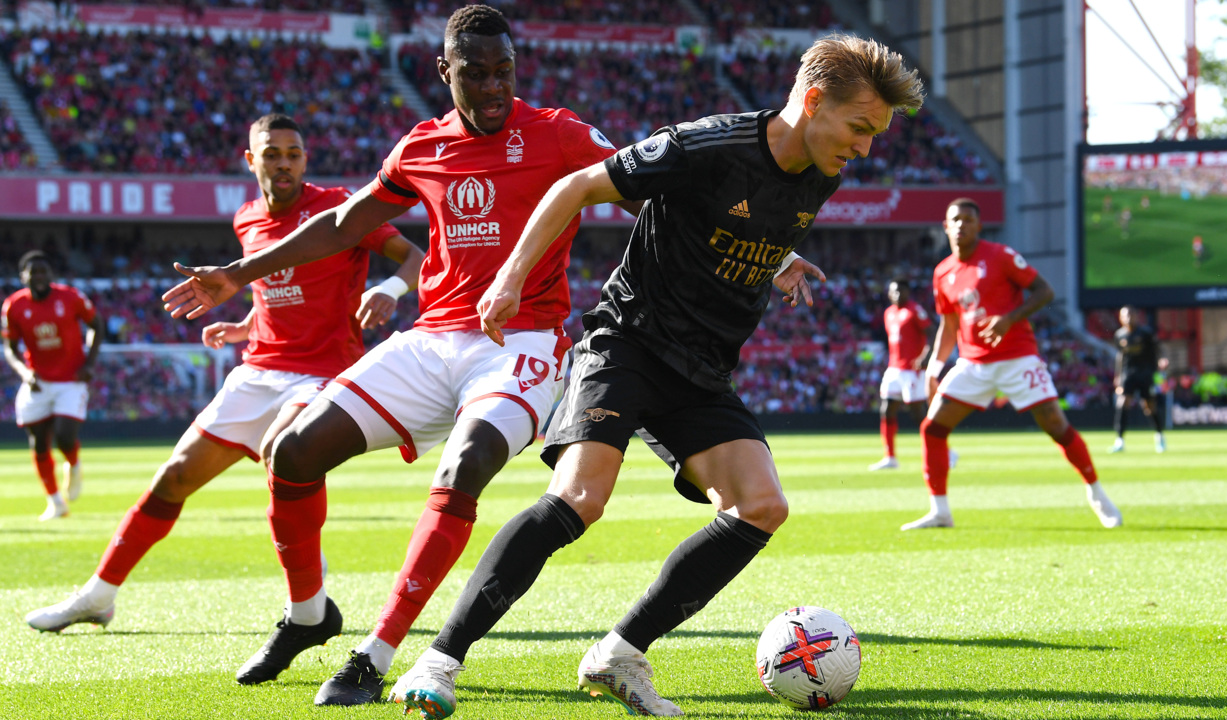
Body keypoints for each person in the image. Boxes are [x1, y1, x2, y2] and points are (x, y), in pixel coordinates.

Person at [385, 34, 925, 718]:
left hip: (701, 370)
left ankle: (618, 653)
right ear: (813, 101)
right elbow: (575, 186)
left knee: (762, 506)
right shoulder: (705, 146)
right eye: (860, 127)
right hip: (629, 343)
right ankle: (437, 663)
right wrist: (509, 281)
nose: (866, 147)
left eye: (874, 133)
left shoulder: (825, 167)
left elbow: (751, 221)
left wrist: (780, 258)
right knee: (580, 496)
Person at [159, 6, 638, 705]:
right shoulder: (421, 146)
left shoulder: (559, 133)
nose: (493, 86)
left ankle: (375, 654)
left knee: (465, 462)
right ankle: (309, 615)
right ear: (445, 72)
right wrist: (240, 272)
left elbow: (648, 185)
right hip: (431, 337)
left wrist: (766, 251)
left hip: (521, 341)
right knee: (290, 451)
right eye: (474, 73)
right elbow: (343, 223)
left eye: (504, 70)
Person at [23, 113, 422, 632]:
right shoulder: (246, 218)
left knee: (286, 457)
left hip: (322, 372)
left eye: (293, 153)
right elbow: (270, 288)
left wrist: (389, 290)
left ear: (305, 159)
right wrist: (243, 325)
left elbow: (412, 255)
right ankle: (98, 596)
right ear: (250, 160)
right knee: (173, 479)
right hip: (257, 369)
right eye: (272, 153)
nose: (284, 163)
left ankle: (308, 602)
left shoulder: (337, 207)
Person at [901, 198, 1122, 531]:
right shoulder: (943, 273)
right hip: (973, 363)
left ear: (979, 226)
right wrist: (935, 367)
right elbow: (948, 325)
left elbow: (1044, 291)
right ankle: (940, 511)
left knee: (1056, 426)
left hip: (1017, 356)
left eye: (969, 219)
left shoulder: (1000, 256)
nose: (962, 225)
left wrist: (1008, 320)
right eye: (955, 220)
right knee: (932, 428)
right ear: (945, 227)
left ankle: (1097, 494)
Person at [3, 250, 105, 521]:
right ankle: (55, 502)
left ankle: (74, 463)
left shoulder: (70, 297)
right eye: (32, 272)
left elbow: (97, 324)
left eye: (42, 271)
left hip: (71, 379)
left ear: (51, 275)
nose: (38, 276)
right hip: (37, 381)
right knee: (38, 444)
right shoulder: (13, 306)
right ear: (22, 276)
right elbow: (10, 348)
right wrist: (25, 373)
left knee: (64, 436)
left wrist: (89, 364)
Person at [868, 278, 958, 471]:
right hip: (894, 369)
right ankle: (890, 457)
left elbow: (932, 332)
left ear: (908, 293)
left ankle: (946, 450)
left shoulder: (914, 310)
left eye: (902, 291)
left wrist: (925, 356)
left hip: (913, 371)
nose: (898, 295)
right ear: (889, 294)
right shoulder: (889, 313)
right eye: (894, 291)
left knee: (918, 414)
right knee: (886, 409)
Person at [1109, 305, 1166, 453]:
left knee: (1149, 406)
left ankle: (1159, 436)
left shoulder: (1146, 333)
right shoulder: (1119, 335)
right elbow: (1120, 356)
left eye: (1131, 315)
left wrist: (1162, 360)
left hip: (1145, 373)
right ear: (1120, 318)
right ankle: (1119, 440)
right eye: (1125, 316)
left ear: (1136, 316)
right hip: (1128, 374)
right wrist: (1118, 376)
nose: (1128, 318)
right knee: (1123, 403)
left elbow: (1158, 349)